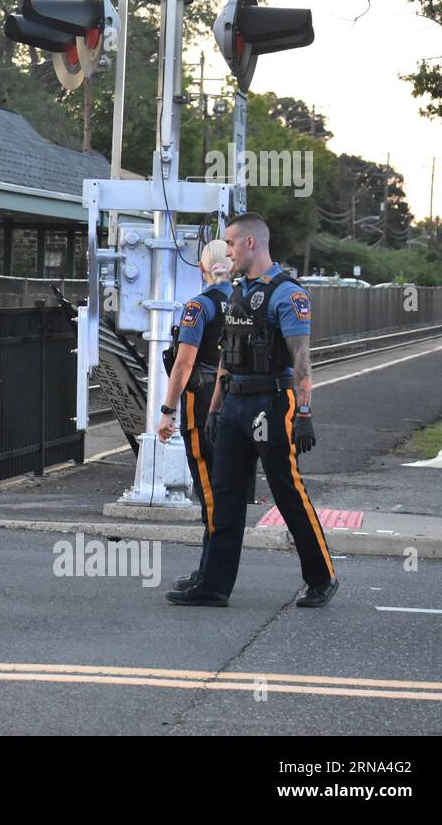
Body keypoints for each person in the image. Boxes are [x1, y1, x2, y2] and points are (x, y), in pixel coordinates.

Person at [165, 212, 337, 608]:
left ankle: (321, 576)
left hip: (272, 403)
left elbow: (302, 358)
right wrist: (214, 409)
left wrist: (305, 414)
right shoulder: (238, 292)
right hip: (234, 405)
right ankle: (213, 584)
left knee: (287, 492)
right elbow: (228, 355)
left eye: (230, 244)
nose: (227, 251)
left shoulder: (287, 293)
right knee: (224, 497)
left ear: (251, 244)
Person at [157, 240, 233, 591]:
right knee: (225, 489)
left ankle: (210, 578)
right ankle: (209, 570)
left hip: (201, 403)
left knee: (209, 491)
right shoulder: (243, 302)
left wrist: (167, 411)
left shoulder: (199, 307)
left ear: (203, 269)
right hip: (234, 403)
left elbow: (184, 363)